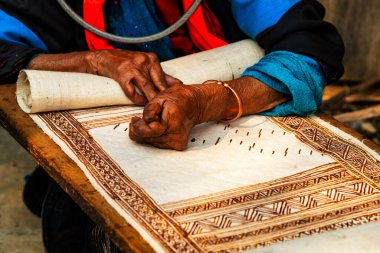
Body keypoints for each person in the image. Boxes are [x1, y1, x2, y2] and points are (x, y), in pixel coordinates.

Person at [0, 0, 344, 252]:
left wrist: (211, 101)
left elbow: (311, 46)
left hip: (225, 124)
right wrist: (90, 61)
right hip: (110, 138)